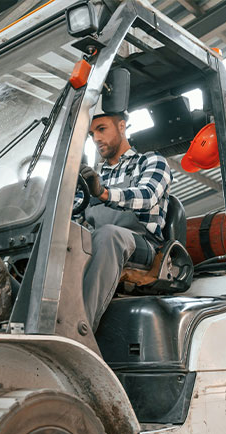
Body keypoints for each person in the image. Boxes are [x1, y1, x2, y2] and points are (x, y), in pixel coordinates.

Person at [79, 110, 172, 331]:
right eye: (91, 134)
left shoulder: (151, 161)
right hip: (98, 246)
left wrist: (103, 193)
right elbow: (76, 215)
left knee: (109, 235)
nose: (96, 139)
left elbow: (147, 195)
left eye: (102, 129)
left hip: (143, 247)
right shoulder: (94, 175)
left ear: (121, 126)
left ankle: (79, 329)